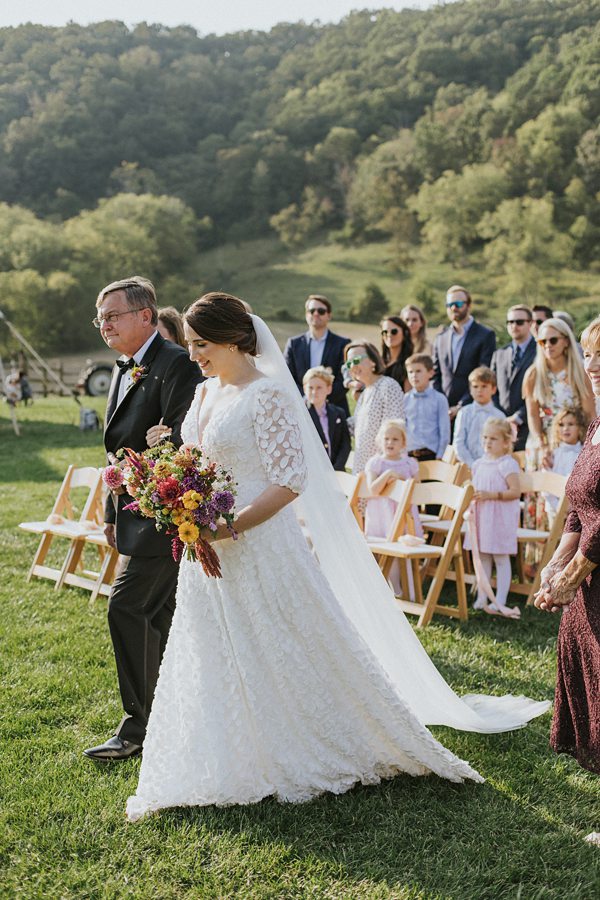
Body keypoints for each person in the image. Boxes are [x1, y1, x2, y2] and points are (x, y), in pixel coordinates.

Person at [125, 292, 550, 822]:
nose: (194, 356)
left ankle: (322, 737)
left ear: (236, 339)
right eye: (190, 346)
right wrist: (175, 486)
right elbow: (198, 458)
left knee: (286, 643)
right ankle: (224, 751)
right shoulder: (206, 391)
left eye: (202, 344)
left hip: (257, 543)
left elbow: (289, 482)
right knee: (212, 646)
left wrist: (226, 527)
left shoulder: (269, 395)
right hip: (204, 546)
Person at [83, 276, 202, 762]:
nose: (104, 325)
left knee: (127, 607)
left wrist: (160, 450)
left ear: (146, 316)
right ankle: (170, 713)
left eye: (112, 315)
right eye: (100, 318)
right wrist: (113, 511)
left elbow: (181, 443)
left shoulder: (176, 364)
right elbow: (119, 451)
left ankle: (138, 727)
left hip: (168, 514)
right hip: (131, 511)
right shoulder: (123, 367)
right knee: (158, 614)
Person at [534, 314, 600, 776]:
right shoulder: (597, 427)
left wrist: (572, 576)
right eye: (590, 353)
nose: (591, 364)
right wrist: (557, 564)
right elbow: (580, 501)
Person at [466, 418, 522, 619]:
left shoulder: (507, 464)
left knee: (500, 556)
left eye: (493, 438)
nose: (488, 442)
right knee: (483, 557)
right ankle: (483, 596)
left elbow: (515, 491)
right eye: (485, 438)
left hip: (499, 518)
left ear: (506, 442)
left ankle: (500, 599)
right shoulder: (479, 463)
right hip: (482, 517)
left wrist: (492, 495)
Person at [364, 419, 421, 596]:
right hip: (381, 513)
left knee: (403, 547)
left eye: (395, 439)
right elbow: (373, 489)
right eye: (386, 439)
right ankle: (392, 588)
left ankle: (409, 589)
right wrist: (387, 475)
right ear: (380, 440)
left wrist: (401, 481)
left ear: (403, 443)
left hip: (403, 513)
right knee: (385, 550)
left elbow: (417, 489)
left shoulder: (409, 463)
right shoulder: (376, 463)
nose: (390, 443)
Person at [432, 285, 496, 423]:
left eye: (458, 304)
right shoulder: (440, 338)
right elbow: (435, 374)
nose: (454, 308)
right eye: (449, 305)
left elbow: (484, 374)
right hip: (443, 413)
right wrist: (442, 405)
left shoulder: (485, 335)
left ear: (469, 305)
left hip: (472, 409)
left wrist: (461, 406)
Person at [344, 341, 405, 473]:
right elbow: (355, 429)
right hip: (363, 472)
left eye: (356, 360)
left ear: (373, 361)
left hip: (383, 473)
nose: (352, 366)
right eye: (349, 363)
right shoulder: (365, 393)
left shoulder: (388, 386)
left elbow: (394, 430)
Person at [284, 294, 350, 413]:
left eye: (321, 311)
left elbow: (344, 378)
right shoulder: (293, 344)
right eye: (311, 310)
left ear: (329, 315)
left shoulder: (343, 344)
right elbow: (288, 377)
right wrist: (306, 399)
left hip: (334, 410)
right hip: (300, 409)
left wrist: (321, 400)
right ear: (306, 315)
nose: (316, 314)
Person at [491, 305, 536, 451]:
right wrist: (501, 416)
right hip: (502, 426)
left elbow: (541, 388)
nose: (514, 326)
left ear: (530, 323)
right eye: (510, 322)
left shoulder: (540, 351)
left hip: (530, 424)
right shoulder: (499, 353)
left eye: (519, 322)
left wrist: (518, 417)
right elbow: (492, 388)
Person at [454, 367, 505, 469]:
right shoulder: (464, 413)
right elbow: (458, 443)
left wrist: (489, 464)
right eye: (475, 386)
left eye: (484, 386)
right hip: (467, 467)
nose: (479, 390)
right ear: (470, 390)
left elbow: (502, 445)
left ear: (493, 389)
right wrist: (472, 464)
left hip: (492, 467)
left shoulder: (500, 416)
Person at [303, 365, 350, 471]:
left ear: (329, 389)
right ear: (304, 389)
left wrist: (336, 469)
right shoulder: (301, 415)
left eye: (319, 387)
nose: (314, 392)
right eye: (310, 388)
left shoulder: (339, 413)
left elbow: (345, 445)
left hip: (336, 473)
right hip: (313, 473)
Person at [404, 354, 450, 461]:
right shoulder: (405, 399)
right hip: (410, 455)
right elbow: (403, 428)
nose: (414, 375)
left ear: (430, 373)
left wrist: (440, 455)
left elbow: (444, 431)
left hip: (432, 454)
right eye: (410, 372)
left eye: (418, 371)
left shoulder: (440, 399)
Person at [543, 406, 586, 521]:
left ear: (580, 428)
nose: (565, 428)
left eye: (571, 424)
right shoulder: (553, 454)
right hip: (554, 508)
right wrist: (559, 509)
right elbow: (546, 483)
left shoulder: (585, 453)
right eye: (561, 425)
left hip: (579, 511)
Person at [380, 316, 413, 391]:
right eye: (385, 332)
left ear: (404, 334)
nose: (389, 335)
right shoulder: (377, 362)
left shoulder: (410, 364)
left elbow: (409, 398)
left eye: (394, 331)